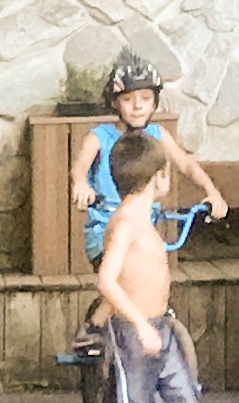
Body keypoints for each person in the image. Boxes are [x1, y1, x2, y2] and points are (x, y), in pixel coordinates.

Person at [86, 130, 206, 403]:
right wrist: (136, 323)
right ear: (157, 176)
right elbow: (107, 279)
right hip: (134, 336)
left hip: (161, 329)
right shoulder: (125, 224)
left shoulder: (145, 218)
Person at [72, 49, 226, 264]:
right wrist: (81, 184)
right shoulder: (99, 137)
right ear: (115, 103)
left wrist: (212, 192)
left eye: (145, 98)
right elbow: (80, 167)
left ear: (154, 103)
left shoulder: (158, 135)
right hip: (107, 231)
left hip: (144, 229)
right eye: (127, 99)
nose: (137, 106)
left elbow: (186, 164)